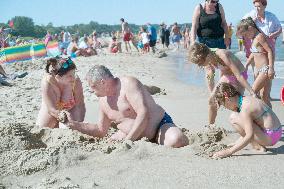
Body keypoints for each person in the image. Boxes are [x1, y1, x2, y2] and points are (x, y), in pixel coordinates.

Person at [65, 65, 189, 147]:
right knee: (110, 141)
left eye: (93, 86)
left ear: (102, 82)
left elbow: (143, 113)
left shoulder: (128, 84)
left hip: (158, 126)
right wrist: (72, 124)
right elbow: (100, 130)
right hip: (133, 136)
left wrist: (127, 142)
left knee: (176, 140)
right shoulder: (103, 102)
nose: (92, 91)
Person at [188, 42, 256, 125]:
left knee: (237, 104)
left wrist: (252, 92)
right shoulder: (208, 59)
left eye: (200, 63)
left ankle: (252, 123)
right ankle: (211, 127)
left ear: (207, 56)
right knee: (211, 101)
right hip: (227, 77)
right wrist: (212, 93)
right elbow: (210, 77)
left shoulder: (223, 55)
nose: (200, 65)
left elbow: (238, 75)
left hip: (239, 76)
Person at [212, 83, 282, 158]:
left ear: (226, 97)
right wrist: (237, 143)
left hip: (270, 138)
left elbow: (249, 135)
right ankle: (253, 143)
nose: (226, 107)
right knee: (236, 116)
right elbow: (250, 126)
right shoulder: (246, 99)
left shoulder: (245, 108)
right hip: (277, 132)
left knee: (233, 118)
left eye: (223, 104)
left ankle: (257, 146)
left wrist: (229, 152)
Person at [37, 57, 86, 128]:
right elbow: (51, 109)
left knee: (70, 129)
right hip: (52, 109)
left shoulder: (75, 81)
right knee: (43, 128)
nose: (73, 78)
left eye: (74, 73)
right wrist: (62, 116)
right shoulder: (48, 82)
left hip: (71, 109)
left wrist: (79, 123)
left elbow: (80, 105)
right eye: (69, 76)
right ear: (57, 76)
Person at [237, 17, 274, 108]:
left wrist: (271, 68)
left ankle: (254, 115)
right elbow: (253, 54)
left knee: (253, 91)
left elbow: (270, 51)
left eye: (245, 35)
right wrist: (247, 64)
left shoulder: (259, 37)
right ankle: (271, 119)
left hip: (265, 70)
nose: (245, 37)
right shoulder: (253, 39)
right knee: (264, 97)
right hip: (260, 71)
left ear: (250, 28)